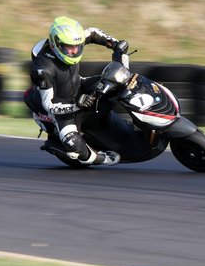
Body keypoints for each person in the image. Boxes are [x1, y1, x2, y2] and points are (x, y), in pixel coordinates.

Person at [24, 16, 129, 166]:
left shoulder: (70, 40)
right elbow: (49, 105)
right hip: (62, 106)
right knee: (72, 143)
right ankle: (102, 158)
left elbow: (92, 33)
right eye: (69, 47)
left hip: (80, 85)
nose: (74, 51)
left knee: (117, 80)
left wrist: (115, 44)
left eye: (78, 46)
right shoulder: (43, 68)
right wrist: (77, 105)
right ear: (55, 44)